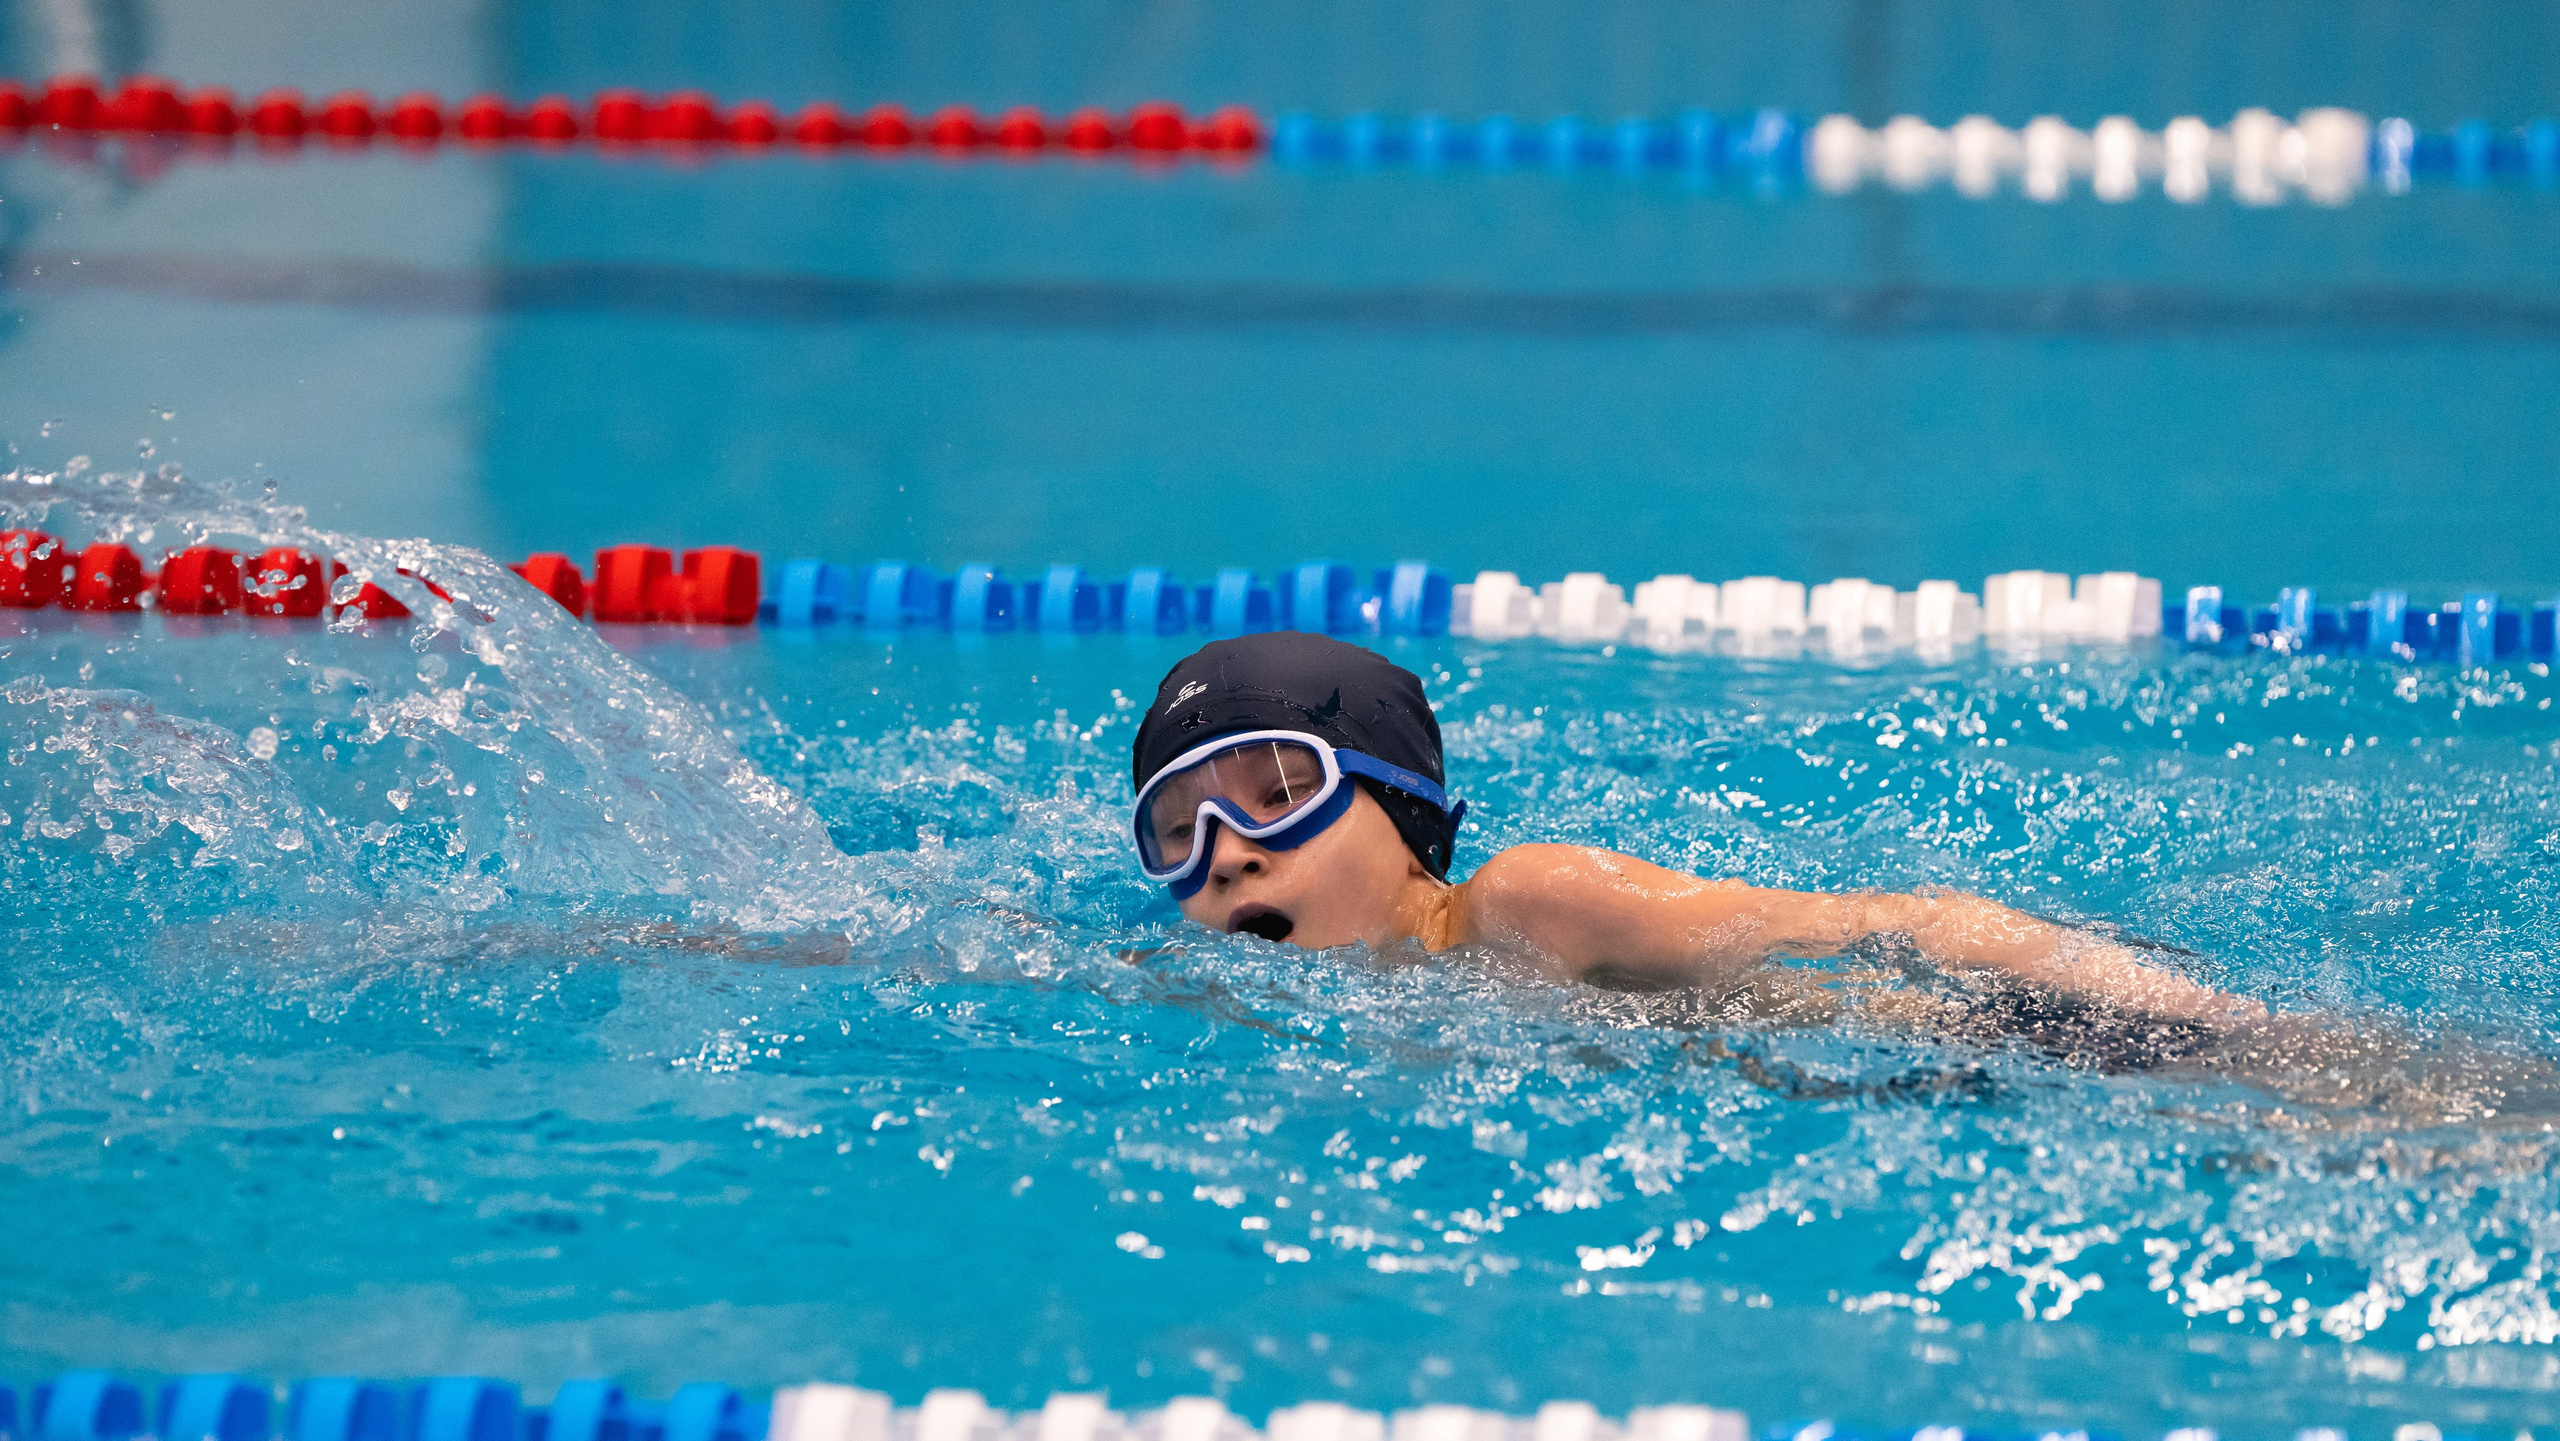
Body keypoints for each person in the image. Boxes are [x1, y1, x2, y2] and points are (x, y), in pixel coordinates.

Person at [1132, 630, 2265, 1033]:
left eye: (1278, 790)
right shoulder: (1241, 1003)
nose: (1227, 852)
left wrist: (2217, 1025)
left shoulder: (1523, 903)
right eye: (1176, 833)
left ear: (1401, 807)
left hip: (2029, 1034)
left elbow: (1895, 926)